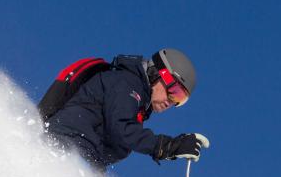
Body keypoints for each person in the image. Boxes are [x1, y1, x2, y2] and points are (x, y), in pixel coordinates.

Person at [43, 48, 209, 170]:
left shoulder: (138, 103)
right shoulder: (127, 83)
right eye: (174, 91)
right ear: (160, 73)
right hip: (65, 144)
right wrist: (169, 146)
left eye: (180, 99)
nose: (171, 102)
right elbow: (123, 129)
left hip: (78, 152)